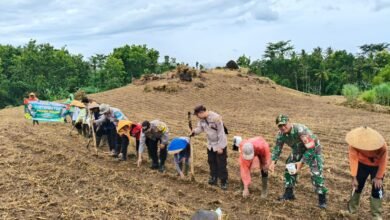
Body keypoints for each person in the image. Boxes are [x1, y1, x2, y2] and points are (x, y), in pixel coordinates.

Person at [269, 114, 328, 209]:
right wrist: (273, 162)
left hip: (313, 149)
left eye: (284, 124)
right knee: (289, 168)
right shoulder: (280, 135)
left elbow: (311, 148)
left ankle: (322, 200)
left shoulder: (300, 130)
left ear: (289, 122)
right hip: (298, 150)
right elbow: (277, 148)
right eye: (280, 126)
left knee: (316, 174)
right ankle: (289, 194)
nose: (283, 127)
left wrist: (301, 162)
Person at [346, 126, 388, 219]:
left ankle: (376, 215)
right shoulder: (354, 143)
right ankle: (352, 210)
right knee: (357, 186)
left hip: (376, 167)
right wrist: (354, 177)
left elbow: (383, 161)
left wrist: (379, 177)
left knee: (377, 189)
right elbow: (353, 159)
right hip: (362, 165)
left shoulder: (381, 145)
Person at [190, 105, 228, 190]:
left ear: (201, 113)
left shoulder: (216, 118)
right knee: (211, 161)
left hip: (219, 144)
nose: (197, 116)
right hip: (210, 144)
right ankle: (213, 178)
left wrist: (220, 147)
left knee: (221, 164)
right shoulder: (201, 120)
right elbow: (200, 128)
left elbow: (221, 133)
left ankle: (224, 181)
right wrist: (194, 132)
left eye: (197, 114)